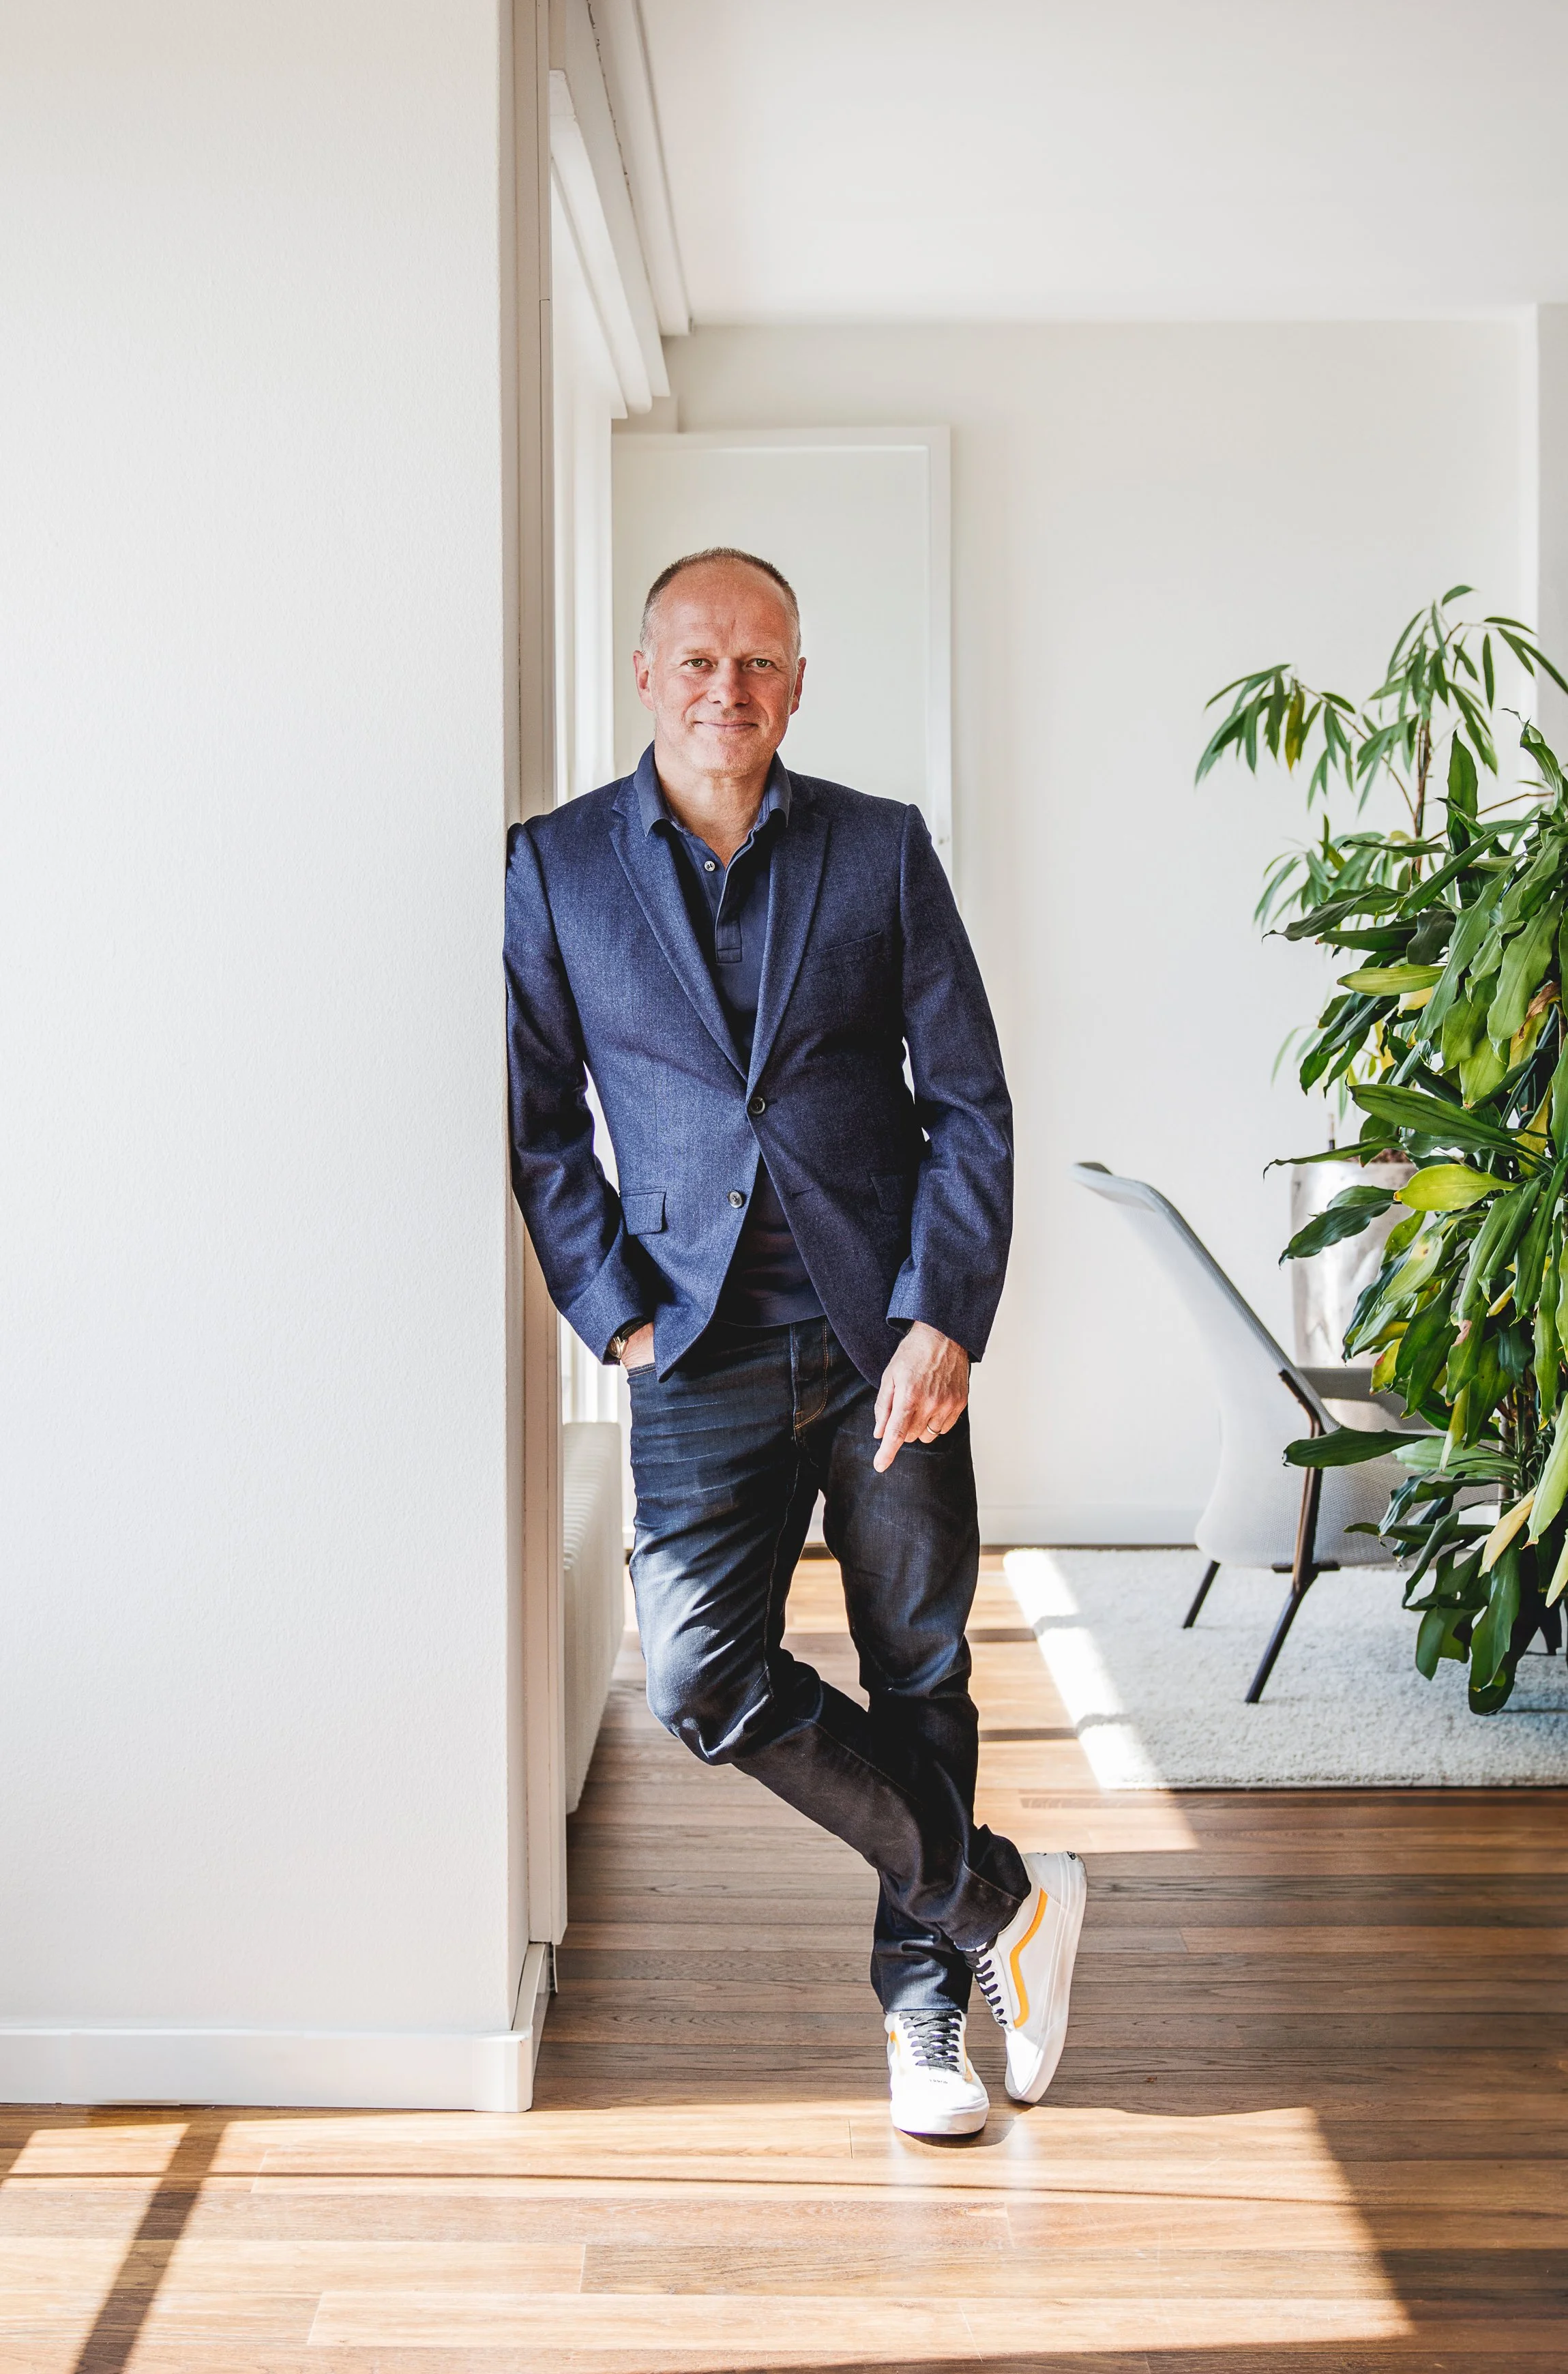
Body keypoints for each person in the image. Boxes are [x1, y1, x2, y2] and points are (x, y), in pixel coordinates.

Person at [503, 546, 1085, 2137]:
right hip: (689, 1345)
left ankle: (925, 2019)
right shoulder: (552, 869)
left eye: (759, 663)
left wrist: (945, 1312)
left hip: (884, 1338)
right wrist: (612, 1308)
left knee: (919, 1666)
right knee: (700, 1678)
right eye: (697, 660)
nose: (727, 689)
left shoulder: (880, 851)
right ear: (647, 676)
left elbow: (968, 1101)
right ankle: (999, 1905)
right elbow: (543, 1122)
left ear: (800, 684)